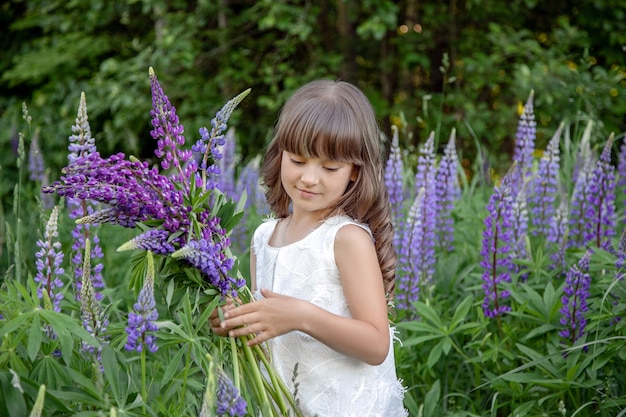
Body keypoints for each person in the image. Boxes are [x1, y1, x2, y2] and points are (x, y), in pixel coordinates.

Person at [211, 79, 407, 417]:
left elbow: (376, 344)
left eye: (329, 167)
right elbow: (270, 327)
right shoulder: (264, 236)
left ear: (355, 173)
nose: (309, 178)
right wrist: (236, 320)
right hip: (286, 403)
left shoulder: (346, 238)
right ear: (280, 154)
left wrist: (301, 316)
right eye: (298, 160)